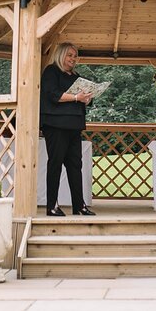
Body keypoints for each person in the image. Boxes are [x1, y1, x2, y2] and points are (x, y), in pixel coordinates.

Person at [40, 42, 95, 217]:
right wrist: (76, 97)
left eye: (75, 56)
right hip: (56, 125)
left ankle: (79, 206)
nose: (73, 58)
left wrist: (87, 98)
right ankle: (52, 206)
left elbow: (81, 98)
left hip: (74, 125)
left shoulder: (76, 76)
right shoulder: (51, 71)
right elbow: (53, 94)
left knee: (75, 166)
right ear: (61, 55)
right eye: (69, 55)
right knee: (55, 164)